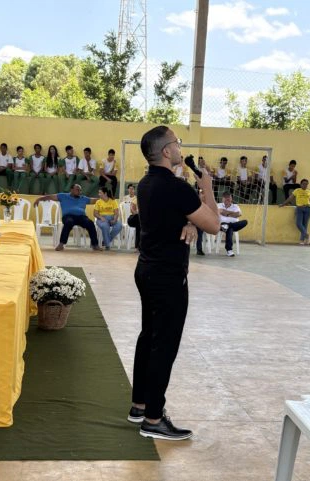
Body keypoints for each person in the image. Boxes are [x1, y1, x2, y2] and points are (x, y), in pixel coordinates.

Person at [129, 127, 219, 441]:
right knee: (164, 346)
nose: (181, 148)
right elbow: (216, 225)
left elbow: (172, 216)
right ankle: (154, 419)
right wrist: (207, 187)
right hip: (168, 278)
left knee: (148, 336)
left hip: (146, 271)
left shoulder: (145, 183)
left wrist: (188, 221)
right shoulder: (178, 187)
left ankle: (139, 404)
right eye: (177, 143)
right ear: (167, 151)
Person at [33, 184, 101, 251]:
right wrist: (39, 199)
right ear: (71, 190)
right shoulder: (63, 196)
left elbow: (95, 200)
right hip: (68, 216)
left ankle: (95, 245)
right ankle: (61, 244)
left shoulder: (83, 198)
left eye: (80, 190)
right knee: (68, 222)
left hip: (81, 217)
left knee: (90, 223)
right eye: (77, 190)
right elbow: (50, 197)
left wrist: (105, 198)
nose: (79, 192)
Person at [279, 179, 310, 245]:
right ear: (301, 184)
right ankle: (307, 235)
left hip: (308, 208)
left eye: (306, 184)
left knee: (305, 225)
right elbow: (290, 198)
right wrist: (283, 204)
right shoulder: (297, 190)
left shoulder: (308, 191)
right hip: (299, 208)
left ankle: (302, 240)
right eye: (304, 184)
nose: (305, 185)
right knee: (298, 223)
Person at [217, 191, 248, 257]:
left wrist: (226, 212)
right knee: (229, 229)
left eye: (229, 197)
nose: (227, 199)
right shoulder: (218, 205)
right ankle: (229, 250)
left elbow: (238, 214)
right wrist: (233, 214)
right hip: (222, 225)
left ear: (231, 198)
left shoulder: (235, 206)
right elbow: (220, 212)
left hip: (234, 225)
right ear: (222, 198)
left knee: (245, 221)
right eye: (225, 198)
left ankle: (228, 226)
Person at [124, 184, 140, 249]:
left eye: (132, 189)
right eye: (130, 189)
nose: (131, 190)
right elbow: (132, 211)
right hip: (132, 217)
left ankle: (139, 245)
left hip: (139, 218)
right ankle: (138, 246)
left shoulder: (137, 198)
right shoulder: (126, 198)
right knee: (139, 221)